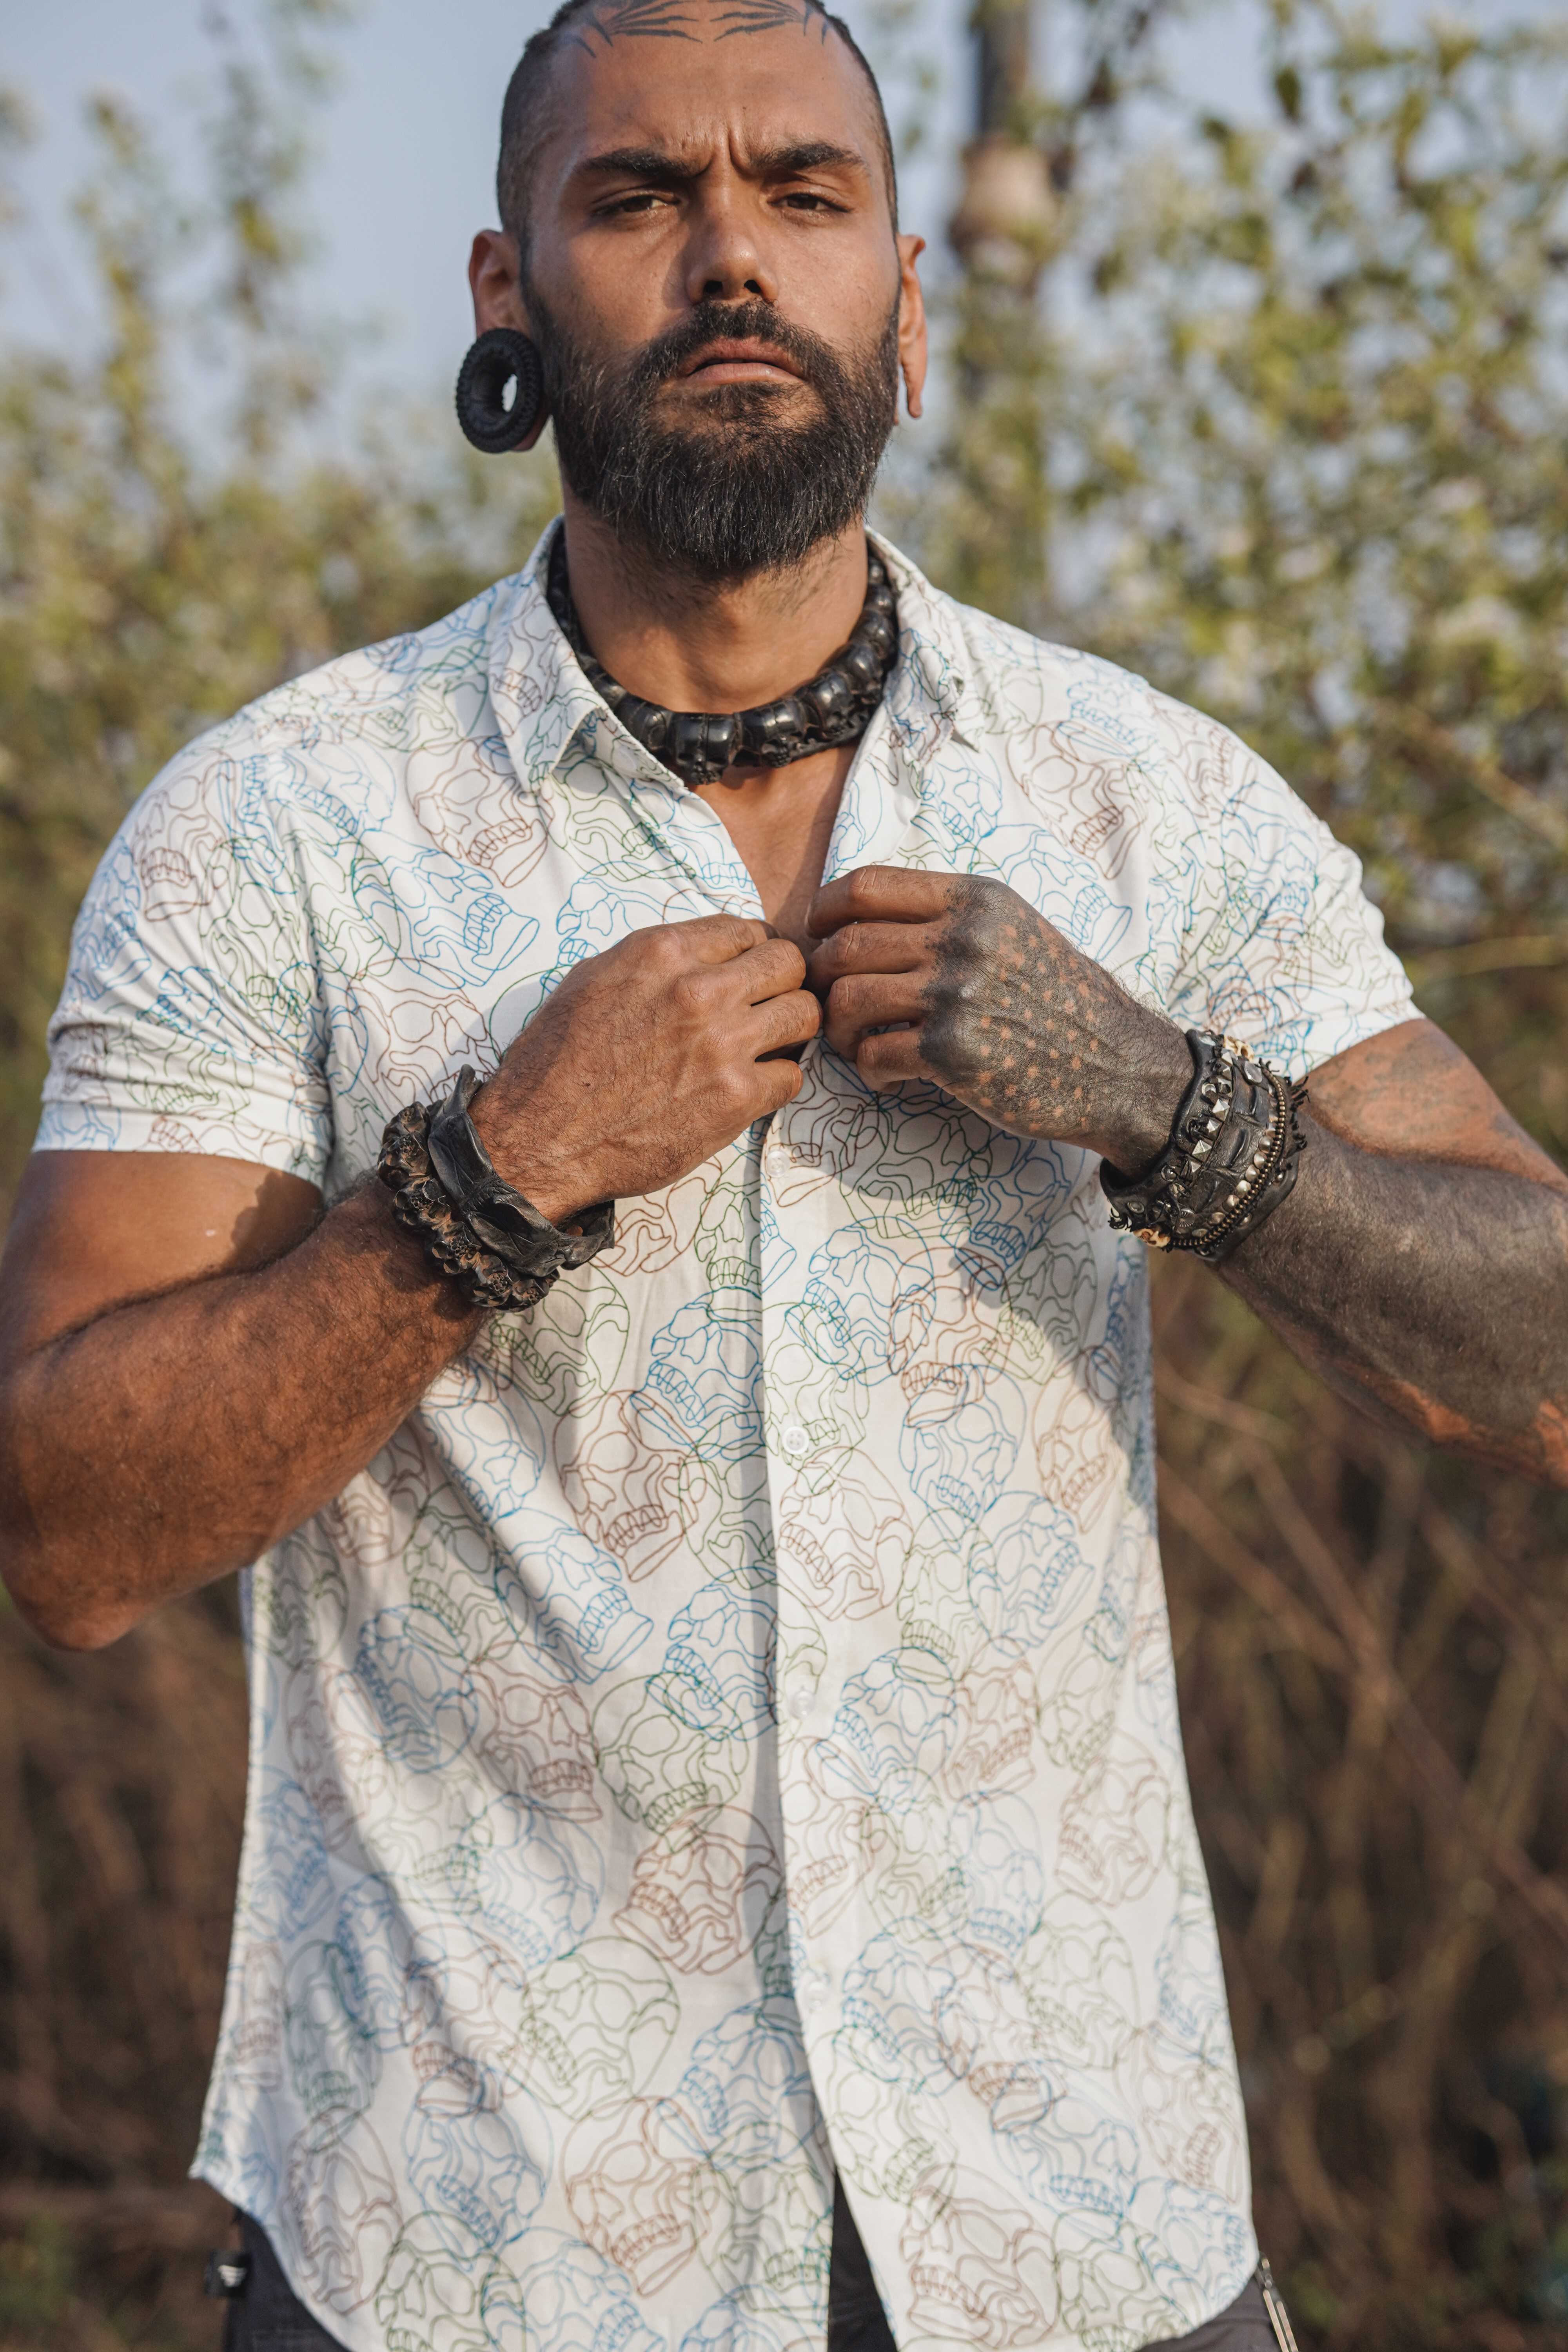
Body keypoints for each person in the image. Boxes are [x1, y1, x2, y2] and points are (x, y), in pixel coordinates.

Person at [2, 0, 1565, 2344]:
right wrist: (484, 1187)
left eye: (804, 193)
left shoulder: (1154, 805)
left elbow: (1544, 1364)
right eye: (640, 196)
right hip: (479, 2239)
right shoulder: (274, 831)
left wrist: (1175, 1109)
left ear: (906, 303)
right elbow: (66, 1539)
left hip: (1071, 2227)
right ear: (507, 292)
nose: (732, 254)